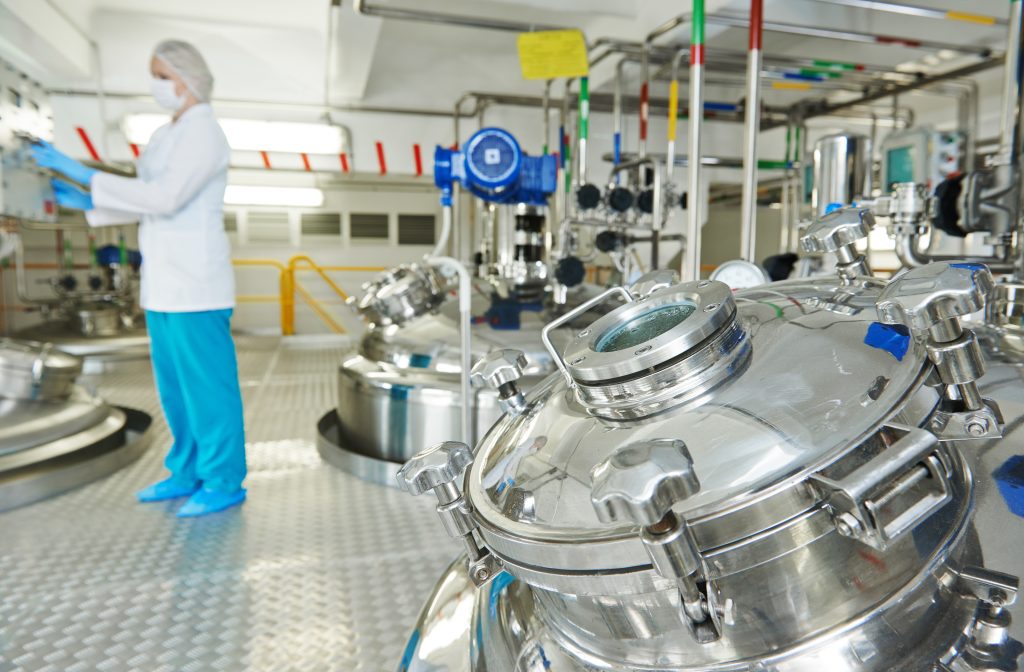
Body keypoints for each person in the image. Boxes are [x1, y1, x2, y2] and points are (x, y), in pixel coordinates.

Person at [32, 40, 247, 518]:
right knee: (175, 388)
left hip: (196, 284)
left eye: (161, 75)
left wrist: (82, 174)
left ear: (187, 79)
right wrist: (80, 198)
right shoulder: (164, 135)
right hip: (164, 283)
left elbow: (165, 197)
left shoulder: (205, 133)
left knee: (208, 389)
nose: (155, 84)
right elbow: (143, 195)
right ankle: (186, 472)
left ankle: (224, 479)